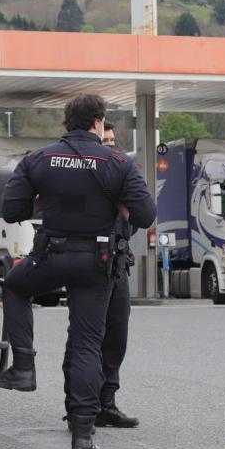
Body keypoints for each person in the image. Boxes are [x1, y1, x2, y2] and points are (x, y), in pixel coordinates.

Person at [0, 95, 156, 449]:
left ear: (67, 122)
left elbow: (11, 210)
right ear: (98, 121)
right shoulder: (118, 162)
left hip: (51, 256)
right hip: (97, 264)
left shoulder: (39, 159)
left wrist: (40, 200)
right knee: (87, 345)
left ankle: (24, 366)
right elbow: (145, 215)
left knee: (15, 287)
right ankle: (82, 438)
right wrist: (118, 203)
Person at [59, 121, 139, 429]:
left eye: (112, 141)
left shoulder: (122, 173)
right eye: (104, 140)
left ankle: (107, 402)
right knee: (85, 338)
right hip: (88, 263)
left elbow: (135, 219)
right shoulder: (79, 175)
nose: (110, 145)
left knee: (117, 335)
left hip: (117, 263)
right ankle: (78, 406)